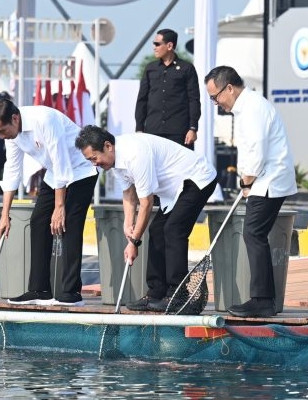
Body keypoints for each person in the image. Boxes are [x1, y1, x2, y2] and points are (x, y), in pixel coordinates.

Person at [75, 125, 217, 312]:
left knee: (173, 230)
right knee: (157, 230)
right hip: (175, 186)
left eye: (94, 158)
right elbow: (129, 193)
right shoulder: (115, 159)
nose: (95, 164)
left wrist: (134, 242)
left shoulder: (135, 154)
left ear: (108, 146)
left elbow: (147, 203)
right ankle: (156, 292)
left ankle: (178, 294)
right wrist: (128, 224)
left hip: (198, 178)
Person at [203, 65, 297, 318]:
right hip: (263, 181)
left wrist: (246, 182)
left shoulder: (253, 107)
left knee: (254, 234)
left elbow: (257, 151)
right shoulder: (246, 108)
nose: (215, 103)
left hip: (268, 181)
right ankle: (264, 299)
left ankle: (263, 301)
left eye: (215, 97)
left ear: (229, 88)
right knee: (255, 234)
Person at [0, 99, 98, 306]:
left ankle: (71, 292)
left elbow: (61, 161)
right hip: (55, 174)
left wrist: (59, 207)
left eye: (1, 131)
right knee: (38, 221)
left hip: (81, 170)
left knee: (69, 224)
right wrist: (5, 215)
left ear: (15, 118)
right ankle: (40, 289)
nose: (1, 136)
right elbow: (12, 171)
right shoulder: (12, 135)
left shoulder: (45, 120)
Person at [135, 28, 201, 147]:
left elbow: (194, 100)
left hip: (179, 132)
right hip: (153, 131)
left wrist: (193, 128)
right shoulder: (150, 68)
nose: (154, 47)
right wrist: (139, 128)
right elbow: (142, 100)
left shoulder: (187, 68)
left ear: (169, 45)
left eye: (157, 44)